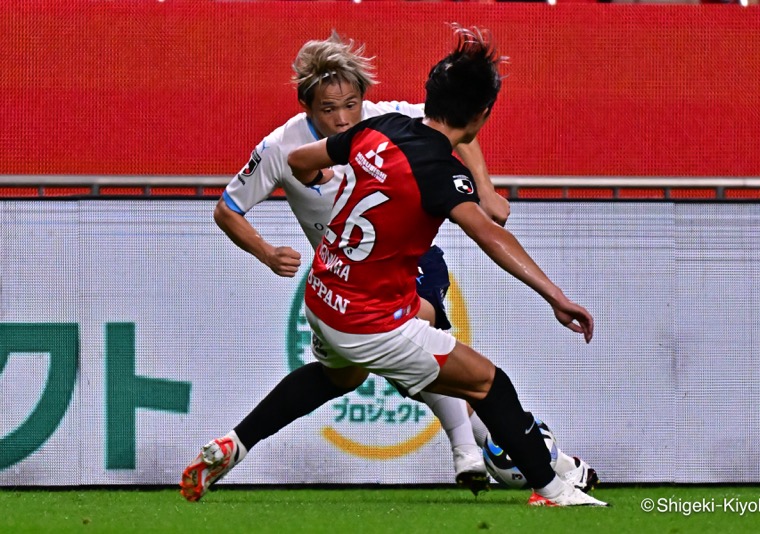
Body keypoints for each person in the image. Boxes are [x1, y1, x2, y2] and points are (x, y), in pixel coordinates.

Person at [180, 29, 599, 504]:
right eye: (327, 108)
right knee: (473, 373)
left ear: (364, 98)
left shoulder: (380, 125)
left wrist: (483, 188)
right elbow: (483, 222)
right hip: (365, 294)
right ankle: (506, 459)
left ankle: (235, 444)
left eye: (350, 104)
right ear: (305, 105)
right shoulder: (292, 144)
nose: (342, 118)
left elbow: (449, 129)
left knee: (349, 372)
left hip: (341, 283)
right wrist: (266, 251)